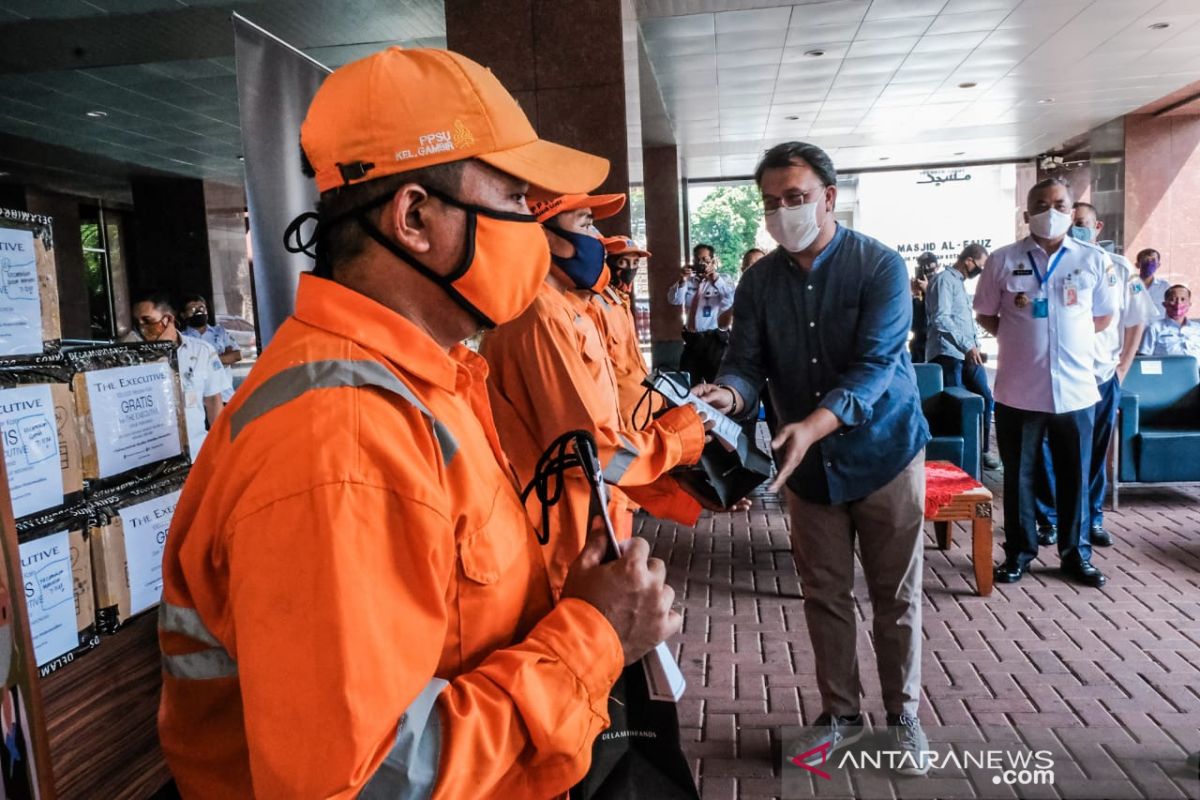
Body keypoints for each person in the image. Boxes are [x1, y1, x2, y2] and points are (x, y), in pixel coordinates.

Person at [158, 47, 681, 798]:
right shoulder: (339, 441)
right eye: (512, 198)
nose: (532, 232)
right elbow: (359, 781)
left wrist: (569, 599)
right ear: (413, 217)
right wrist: (592, 639)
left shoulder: (424, 383)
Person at [696, 141, 932, 775]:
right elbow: (745, 364)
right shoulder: (758, 281)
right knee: (824, 594)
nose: (783, 211)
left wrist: (810, 425)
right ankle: (842, 718)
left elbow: (876, 368)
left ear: (828, 197)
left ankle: (904, 718)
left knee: (895, 596)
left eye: (795, 198)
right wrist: (727, 393)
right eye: (771, 202)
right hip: (808, 468)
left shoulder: (878, 267)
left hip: (885, 454)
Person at [481, 190, 708, 594]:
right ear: (546, 237)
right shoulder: (539, 317)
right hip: (566, 527)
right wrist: (682, 440)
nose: (598, 239)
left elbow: (599, 434)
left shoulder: (565, 311)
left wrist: (679, 481)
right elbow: (588, 450)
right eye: (586, 223)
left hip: (593, 510)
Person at [974, 178, 1116, 589]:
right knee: (1020, 477)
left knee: (1076, 474)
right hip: (1019, 390)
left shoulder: (1091, 260)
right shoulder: (1002, 260)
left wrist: (1068, 338)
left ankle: (1076, 555)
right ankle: (1019, 553)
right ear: (1026, 214)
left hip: (1076, 391)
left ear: (1072, 211)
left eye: (1058, 203)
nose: (1049, 211)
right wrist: (1021, 337)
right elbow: (985, 313)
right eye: (1040, 204)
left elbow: (1103, 316)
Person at [1035, 203, 1155, 549]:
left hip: (1100, 376)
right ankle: (1050, 520)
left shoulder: (1118, 268)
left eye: (1081, 224)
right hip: (1053, 376)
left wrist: (1122, 368)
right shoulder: (1044, 266)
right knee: (1046, 451)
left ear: (1097, 227)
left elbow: (1137, 320)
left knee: (1093, 452)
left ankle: (1092, 517)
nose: (1074, 230)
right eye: (1069, 224)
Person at [925, 243, 999, 470]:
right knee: (954, 406)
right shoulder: (944, 280)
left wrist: (974, 346)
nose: (981, 272)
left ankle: (982, 451)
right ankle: (955, 459)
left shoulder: (958, 283)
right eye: (980, 266)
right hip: (948, 355)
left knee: (985, 398)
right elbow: (941, 319)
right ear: (969, 260)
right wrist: (967, 345)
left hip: (967, 355)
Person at [132, 292, 229, 459]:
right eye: (137, 323)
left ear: (167, 319)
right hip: (154, 455)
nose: (142, 327)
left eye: (147, 320)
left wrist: (219, 446)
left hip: (196, 451)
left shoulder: (201, 351)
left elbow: (213, 400)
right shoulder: (133, 357)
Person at [598, 234, 659, 429]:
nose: (630, 269)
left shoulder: (621, 303)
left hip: (643, 404)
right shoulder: (597, 306)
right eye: (623, 262)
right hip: (623, 415)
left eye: (635, 263)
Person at [668, 243, 736, 385]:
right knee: (687, 385)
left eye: (705, 260)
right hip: (692, 340)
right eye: (698, 260)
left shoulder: (723, 279)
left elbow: (730, 300)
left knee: (716, 385)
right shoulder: (688, 281)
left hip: (714, 341)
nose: (701, 264)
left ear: (712, 261)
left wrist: (716, 280)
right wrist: (682, 280)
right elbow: (674, 300)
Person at [180, 294, 242, 401]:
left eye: (201, 308)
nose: (198, 311)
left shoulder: (220, 332)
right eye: (193, 309)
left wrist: (199, 361)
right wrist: (221, 360)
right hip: (198, 401)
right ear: (183, 315)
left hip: (225, 397)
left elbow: (236, 355)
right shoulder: (181, 338)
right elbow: (183, 365)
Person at [1139, 284, 1200, 355]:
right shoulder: (1154, 329)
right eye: (1173, 299)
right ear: (1165, 304)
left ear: (1189, 304)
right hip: (1166, 366)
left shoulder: (1197, 328)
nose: (1178, 303)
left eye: (1183, 299)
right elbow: (1145, 359)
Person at [908, 251, 938, 364]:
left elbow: (941, 312)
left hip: (938, 343)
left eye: (929, 266)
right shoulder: (917, 288)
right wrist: (913, 295)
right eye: (923, 267)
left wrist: (928, 291)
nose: (926, 270)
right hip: (919, 343)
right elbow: (911, 321)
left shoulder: (942, 284)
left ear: (937, 267)